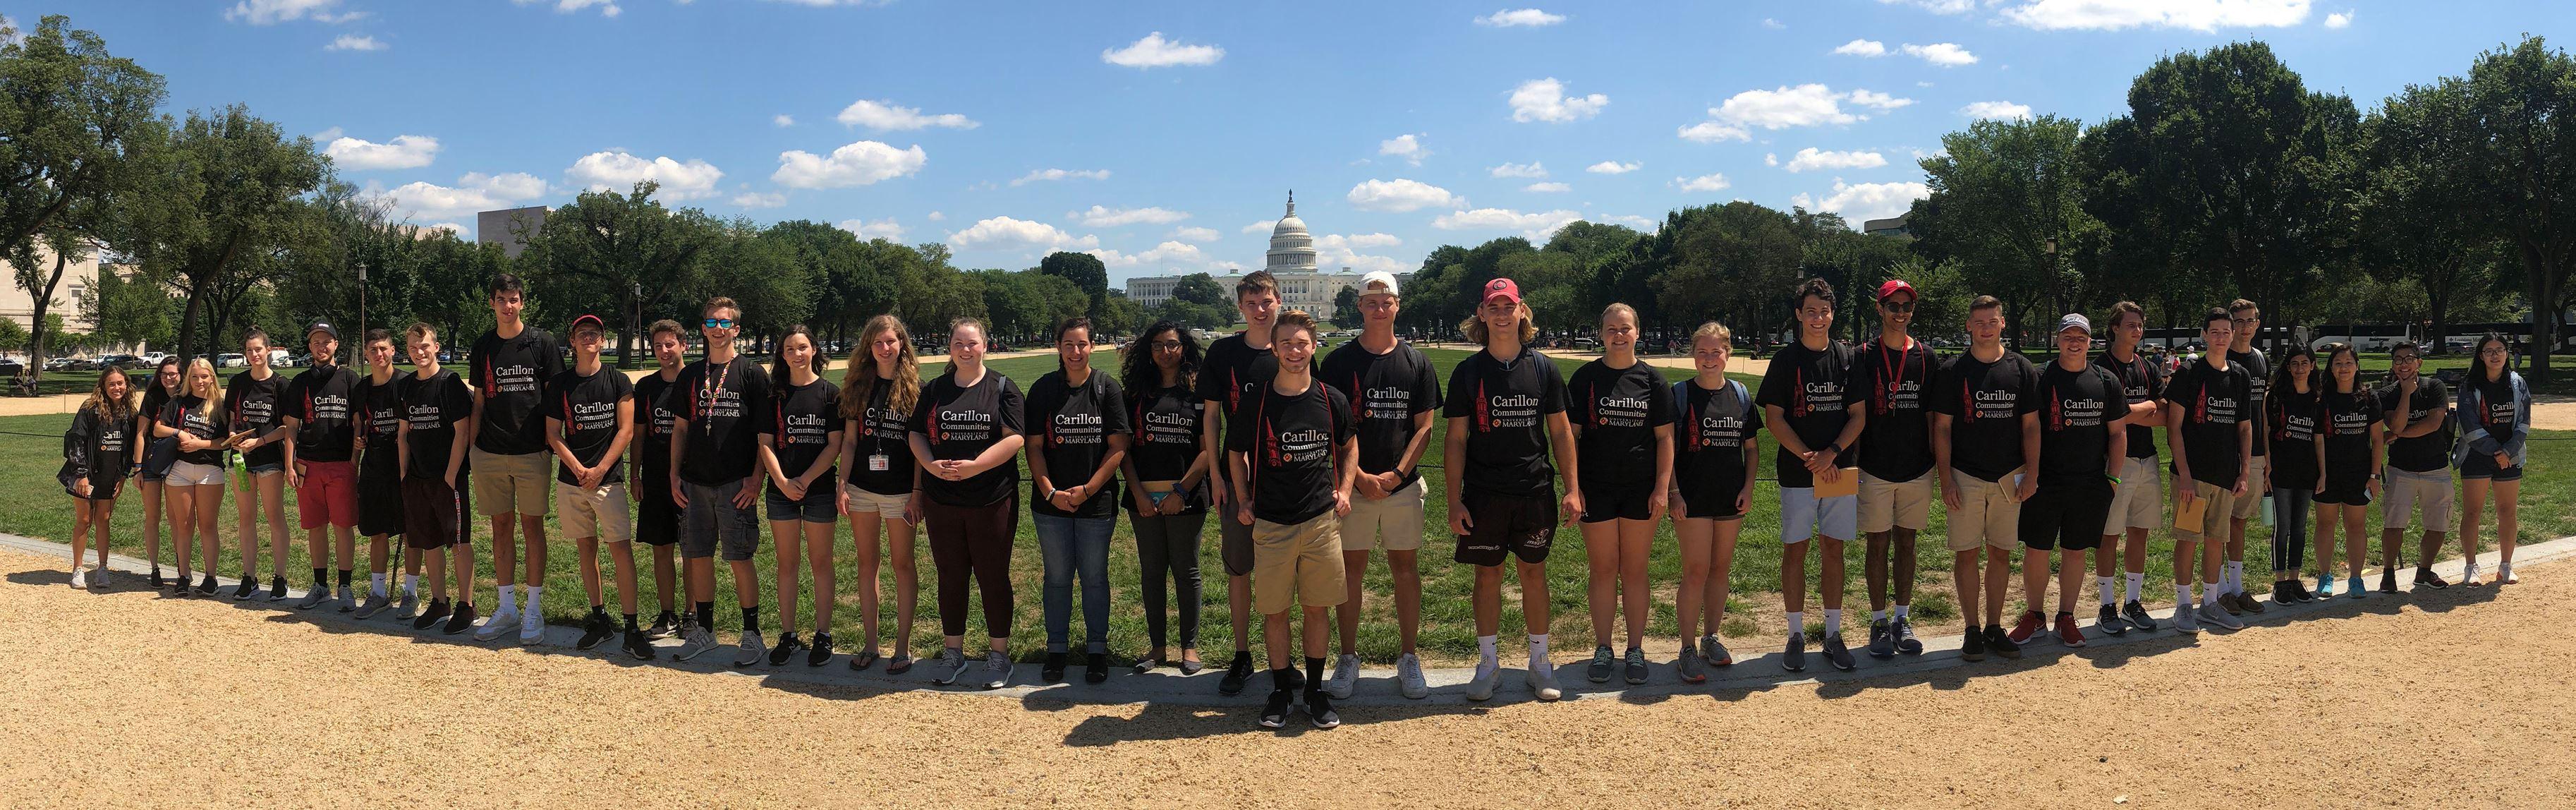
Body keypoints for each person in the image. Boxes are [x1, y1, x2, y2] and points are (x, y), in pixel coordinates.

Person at [1444, 277, 1579, 701]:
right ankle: (1489, 664)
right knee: (1488, 575)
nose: (1502, 314)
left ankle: (1540, 662)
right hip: (1484, 491)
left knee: (1534, 574)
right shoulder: (1468, 372)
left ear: (1522, 312)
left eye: (1509, 306)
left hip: (1533, 488)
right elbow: (1456, 439)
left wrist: (1573, 489)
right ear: (1482, 315)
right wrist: (1453, 500)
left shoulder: (1542, 367)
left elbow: (1560, 432)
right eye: (1494, 307)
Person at [1229, 309, 1356, 729]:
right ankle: (1282, 689)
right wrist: (1244, 498)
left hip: (1320, 520)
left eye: (1302, 343)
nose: (1294, 351)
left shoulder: (1330, 398)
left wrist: (1346, 488)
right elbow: (1235, 452)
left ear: (1313, 346)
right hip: (1272, 522)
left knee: (1318, 609)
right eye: (1286, 344)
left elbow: (1349, 445)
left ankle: (1315, 690)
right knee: (1276, 612)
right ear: (1274, 347)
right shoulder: (1258, 399)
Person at [1316, 271, 1440, 699]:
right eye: (1371, 301)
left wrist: (1399, 475)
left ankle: (1409, 657)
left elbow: (1424, 427)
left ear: (1397, 305)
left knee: (1405, 569)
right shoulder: (1338, 363)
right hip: (1354, 488)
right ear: (1360, 307)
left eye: (1386, 300)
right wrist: (1360, 478)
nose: (1379, 307)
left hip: (1402, 487)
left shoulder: (1417, 362)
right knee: (1351, 571)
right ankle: (1348, 658)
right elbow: (1329, 427)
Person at [1757, 278, 1867, 672]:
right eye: (1810, 311)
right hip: (1799, 471)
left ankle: (1834, 634)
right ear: (1799, 315)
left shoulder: (1848, 357)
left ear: (1832, 314)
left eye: (1824, 311)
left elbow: (1858, 415)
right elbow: (1774, 417)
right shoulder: (1786, 361)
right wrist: (1810, 456)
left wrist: (1832, 453)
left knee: (1834, 549)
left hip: (1839, 469)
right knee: (1796, 550)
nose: (1818, 318)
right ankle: (1795, 635)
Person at [909, 318, 1025, 690]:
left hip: (991, 498)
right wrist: (930, 465)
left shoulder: (1003, 388)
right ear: (950, 347)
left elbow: (1015, 439)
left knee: (993, 576)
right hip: (942, 500)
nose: (965, 349)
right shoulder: (935, 389)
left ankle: (998, 656)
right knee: (951, 576)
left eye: (972, 343)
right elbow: (915, 434)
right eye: (959, 342)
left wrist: (976, 467)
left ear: (985, 346)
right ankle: (953, 652)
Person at [1567, 303, 1673, 685]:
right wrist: (1573, 489)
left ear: (1637, 332)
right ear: (1601, 333)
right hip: (1595, 489)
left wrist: (1662, 488)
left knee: (1634, 570)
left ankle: (1635, 648)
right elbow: (1570, 438)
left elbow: (1665, 438)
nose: (1618, 334)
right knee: (1603, 569)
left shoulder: (1653, 381)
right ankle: (1603, 647)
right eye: (1611, 328)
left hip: (1639, 490)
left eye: (1625, 327)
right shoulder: (1584, 379)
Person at [668, 298, 775, 666]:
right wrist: (673, 474)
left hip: (736, 483)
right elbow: (680, 429)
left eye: (724, 323)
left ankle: (752, 634)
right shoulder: (690, 376)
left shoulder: (752, 373)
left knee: (739, 557)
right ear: (702, 329)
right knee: (697, 557)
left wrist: (756, 479)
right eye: (711, 323)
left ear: (736, 329)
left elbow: (764, 433)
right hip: (695, 482)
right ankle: (705, 631)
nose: (717, 329)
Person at [2012, 315, 2129, 648]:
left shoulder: (2106, 381)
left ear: (2091, 341)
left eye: (2081, 336)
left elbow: (2118, 433)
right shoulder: (2040, 378)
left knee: (2074, 552)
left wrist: (2113, 479)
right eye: (2067, 336)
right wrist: (2030, 474)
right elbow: (2028, 428)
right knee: (2036, 550)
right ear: (2058, 340)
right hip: (2044, 480)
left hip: (2090, 482)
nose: (2074, 342)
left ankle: (2066, 616)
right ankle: (2034, 615)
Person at [1931, 296, 2039, 659]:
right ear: (1969, 326)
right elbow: (1942, 429)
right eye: (1979, 322)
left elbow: (2031, 426)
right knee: (1967, 554)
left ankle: (1994, 626)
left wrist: (2033, 473)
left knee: (2001, 553)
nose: (1986, 328)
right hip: (1965, 475)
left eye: (1992, 321)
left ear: (2003, 323)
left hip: (2010, 477)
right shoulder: (1952, 371)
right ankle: (1971, 629)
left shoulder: (2022, 369)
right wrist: (1945, 479)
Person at [1026, 316, 1130, 684]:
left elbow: (1118, 448)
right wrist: (1049, 491)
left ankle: (1096, 652)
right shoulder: (1043, 389)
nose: (1075, 351)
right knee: (1056, 578)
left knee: (1094, 579)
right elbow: (1034, 446)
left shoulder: (1107, 388)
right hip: (1050, 504)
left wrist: (1087, 490)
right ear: (1059, 347)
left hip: (1096, 503)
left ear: (1092, 346)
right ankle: (1057, 650)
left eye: (1082, 344)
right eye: (1068, 344)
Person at [467, 273, 566, 643]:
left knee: (533, 528)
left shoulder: (542, 343)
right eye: (500, 299)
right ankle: (507, 607)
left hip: (532, 452)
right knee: (500, 528)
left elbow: (556, 396)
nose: (507, 306)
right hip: (491, 452)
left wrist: (551, 443)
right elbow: (479, 400)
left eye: (513, 299)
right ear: (491, 303)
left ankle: (533, 609)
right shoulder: (484, 346)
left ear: (522, 302)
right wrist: (472, 448)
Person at [1198, 270, 1280, 695]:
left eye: (1266, 302)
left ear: (1278, 302)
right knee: (1239, 570)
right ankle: (1243, 654)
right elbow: (1211, 418)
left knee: (1282, 572)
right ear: (1240, 307)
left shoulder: (1293, 349)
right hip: (1236, 475)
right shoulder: (1224, 353)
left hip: (1284, 477)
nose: (1259, 310)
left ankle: (1280, 658)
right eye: (1251, 303)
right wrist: (1215, 474)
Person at [545, 315, 647, 658]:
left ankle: (631, 627)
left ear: (603, 340)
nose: (588, 338)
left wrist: (601, 469)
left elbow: (626, 430)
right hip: (571, 480)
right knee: (585, 548)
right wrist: (577, 468)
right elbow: (553, 434)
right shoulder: (560, 384)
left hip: (609, 480)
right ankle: (599, 617)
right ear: (572, 341)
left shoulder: (617, 380)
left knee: (620, 549)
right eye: (581, 334)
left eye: (594, 334)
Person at [1118, 320, 1213, 678]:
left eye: (1172, 345)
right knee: (1152, 572)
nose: (1165, 352)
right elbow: (1123, 451)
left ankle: (1189, 646)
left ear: (1184, 348)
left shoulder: (1199, 394)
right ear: (1148, 350)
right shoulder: (1136, 394)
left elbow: (1207, 452)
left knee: (1187, 571)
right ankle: (1157, 647)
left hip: (1186, 497)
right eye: (1157, 345)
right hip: (1143, 497)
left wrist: (1181, 492)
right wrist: (1140, 494)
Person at [1851, 279, 1936, 658]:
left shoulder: (1926, 356)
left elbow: (1935, 416)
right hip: (1874, 467)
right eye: (1893, 306)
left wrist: (1939, 464)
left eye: (1906, 307)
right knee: (1877, 543)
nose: (1900, 313)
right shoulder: (1862, 355)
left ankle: (1902, 618)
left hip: (1917, 467)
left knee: (1908, 542)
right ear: (1879, 309)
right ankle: (1878, 620)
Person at [1669, 322, 1757, 682]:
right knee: (1695, 571)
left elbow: (1751, 449)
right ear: (1693, 355)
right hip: (1691, 497)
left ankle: (1711, 637)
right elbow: (1667, 449)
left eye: (1716, 351)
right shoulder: (1679, 394)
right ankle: (1686, 647)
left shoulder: (1739, 394)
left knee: (1720, 569)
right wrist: (1673, 492)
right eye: (1702, 351)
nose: (1709, 358)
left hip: (1729, 495)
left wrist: (1749, 488)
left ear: (1727, 353)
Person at [837, 314, 925, 672]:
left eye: (891, 341)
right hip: (861, 488)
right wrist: (842, 483)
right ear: (868, 347)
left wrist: (918, 492)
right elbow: (850, 440)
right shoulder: (859, 385)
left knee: (903, 565)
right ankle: (871, 644)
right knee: (866, 563)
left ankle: (902, 647)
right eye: (878, 342)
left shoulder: (917, 388)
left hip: (901, 491)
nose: (885, 348)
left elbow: (921, 447)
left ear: (902, 343)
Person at [2163, 308, 2254, 632]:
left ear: (2233, 335)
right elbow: (2174, 428)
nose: (2220, 337)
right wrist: (2184, 475)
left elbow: (2245, 428)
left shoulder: (2241, 376)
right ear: (2204, 335)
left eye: (2225, 331)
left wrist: (2244, 472)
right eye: (2214, 331)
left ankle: (2210, 604)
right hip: (2193, 477)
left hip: (2225, 477)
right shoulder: (2189, 373)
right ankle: (2183, 605)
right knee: (2188, 539)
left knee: (2216, 540)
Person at [758, 325, 843, 666]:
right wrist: (780, 480)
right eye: (789, 349)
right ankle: (789, 635)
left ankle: (823, 634)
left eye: (802, 347)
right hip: (781, 491)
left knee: (821, 563)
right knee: (787, 564)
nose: (796, 354)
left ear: (814, 350)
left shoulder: (830, 393)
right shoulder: (774, 395)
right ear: (782, 354)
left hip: (818, 489)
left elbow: (835, 444)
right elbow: (765, 444)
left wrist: (805, 480)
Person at [395, 324, 480, 636]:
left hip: (447, 479)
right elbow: (403, 434)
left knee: (458, 542)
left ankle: (466, 604)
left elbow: (463, 431)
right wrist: (404, 473)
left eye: (425, 346)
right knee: (429, 542)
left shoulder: (450, 383)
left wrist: (451, 474)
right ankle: (439, 600)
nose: (420, 352)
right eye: (414, 348)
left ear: (436, 346)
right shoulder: (405, 387)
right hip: (417, 477)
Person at [2094, 302, 2165, 633]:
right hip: (2113, 462)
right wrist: (2145, 407)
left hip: (2147, 458)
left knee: (2140, 533)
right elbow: (2110, 419)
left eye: (2140, 325)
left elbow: (2162, 414)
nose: (2136, 330)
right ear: (2115, 328)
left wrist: (2129, 411)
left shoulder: (2148, 366)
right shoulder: (2099, 369)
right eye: (2130, 325)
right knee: (2109, 534)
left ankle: (2132, 602)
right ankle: (2106, 605)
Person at [281, 322, 363, 611]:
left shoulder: (350, 379)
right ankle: (320, 586)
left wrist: (355, 460)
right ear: (310, 347)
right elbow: (291, 427)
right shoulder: (300, 382)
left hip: (341, 463)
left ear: (336, 345)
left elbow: (358, 423)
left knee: (343, 526)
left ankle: (346, 586)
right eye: (316, 341)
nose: (322, 346)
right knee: (315, 527)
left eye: (327, 341)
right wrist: (290, 464)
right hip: (308, 464)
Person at [2378, 341, 2453, 593]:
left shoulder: (2435, 387)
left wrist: (2398, 436)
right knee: (2394, 523)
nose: (2404, 364)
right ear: (2393, 365)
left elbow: (2433, 423)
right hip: (2401, 469)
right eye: (2398, 360)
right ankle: (2388, 574)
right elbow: (2396, 424)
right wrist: (2407, 394)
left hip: (2436, 467)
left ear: (2419, 363)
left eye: (2409, 358)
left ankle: (2424, 570)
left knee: (2438, 524)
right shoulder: (2387, 394)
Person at [2454, 332, 2527, 586]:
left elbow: (2523, 423)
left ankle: (2506, 565)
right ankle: (2471, 566)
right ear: (2481, 355)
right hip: (2476, 456)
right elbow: (2469, 424)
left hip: (2510, 455)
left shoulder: (2518, 383)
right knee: (2473, 512)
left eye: (2500, 350)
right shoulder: (2470, 385)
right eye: (2489, 351)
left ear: (2507, 354)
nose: (2495, 355)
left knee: (2508, 512)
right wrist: (2497, 451)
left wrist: (2508, 451)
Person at [632, 320, 690, 639]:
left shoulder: (698, 381)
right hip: (655, 479)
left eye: (670, 344)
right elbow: (638, 435)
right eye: (658, 346)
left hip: (691, 478)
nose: (664, 351)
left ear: (683, 344)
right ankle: (667, 613)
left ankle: (693, 613)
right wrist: (635, 474)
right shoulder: (646, 387)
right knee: (662, 548)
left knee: (693, 549)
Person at [2213, 300, 2271, 617]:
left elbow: (2261, 409)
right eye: (2240, 321)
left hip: (2256, 453)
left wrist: (2266, 456)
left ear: (2258, 323)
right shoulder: (2221, 357)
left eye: (2251, 320)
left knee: (2239, 522)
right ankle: (2218, 587)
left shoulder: (2261, 360)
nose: (2246, 327)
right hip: (2224, 452)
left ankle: (2236, 588)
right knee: (2218, 523)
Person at [226, 330, 293, 600]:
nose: (254, 354)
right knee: (246, 519)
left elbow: (287, 427)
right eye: (250, 350)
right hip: (241, 461)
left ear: (268, 350)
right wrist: (233, 435)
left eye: (258, 349)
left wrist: (260, 441)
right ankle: (249, 577)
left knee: (275, 517)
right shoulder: (238, 383)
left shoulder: (280, 384)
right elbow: (232, 418)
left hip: (269, 461)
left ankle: (280, 578)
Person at [2313, 343, 2383, 598]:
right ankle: (2325, 576)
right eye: (2338, 363)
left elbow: (2377, 440)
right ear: (2331, 368)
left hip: (2359, 474)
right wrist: (2321, 474)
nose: (2344, 368)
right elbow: (2318, 438)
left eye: (2349, 363)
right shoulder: (2322, 398)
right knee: (2325, 524)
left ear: (2357, 367)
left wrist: (2374, 476)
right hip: (2328, 474)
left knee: (2356, 526)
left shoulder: (2368, 398)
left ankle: (2356, 578)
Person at [351, 330, 413, 619]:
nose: (379, 354)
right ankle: (377, 593)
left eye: (383, 348)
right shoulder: (361, 389)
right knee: (378, 532)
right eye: (373, 349)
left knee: (411, 533)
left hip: (403, 465)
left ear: (393, 350)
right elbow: (359, 426)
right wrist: (358, 444)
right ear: (366, 354)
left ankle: (410, 592)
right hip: (374, 466)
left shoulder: (405, 383)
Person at [157, 359, 231, 598]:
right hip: (180, 469)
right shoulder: (179, 401)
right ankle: (183, 575)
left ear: (212, 377)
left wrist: (199, 443)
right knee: (184, 526)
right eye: (195, 377)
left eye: (204, 377)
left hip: (210, 470)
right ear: (189, 378)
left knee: (208, 525)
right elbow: (158, 428)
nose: (200, 382)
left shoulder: (220, 405)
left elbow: (225, 443)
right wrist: (179, 433)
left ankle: (211, 578)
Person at [61, 365, 134, 588]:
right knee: (84, 520)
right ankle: (78, 569)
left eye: (120, 383)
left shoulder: (129, 413)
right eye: (111, 383)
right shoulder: (90, 409)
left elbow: (129, 449)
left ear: (127, 385)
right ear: (103, 386)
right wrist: (81, 474)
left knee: (103, 519)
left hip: (110, 475)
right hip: (85, 473)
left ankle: (102, 568)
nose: (116, 387)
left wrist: (123, 476)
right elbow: (75, 440)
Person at [2264, 345, 2323, 603]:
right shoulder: (2276, 396)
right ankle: (2279, 582)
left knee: (2300, 527)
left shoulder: (2319, 398)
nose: (2300, 368)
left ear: (2312, 366)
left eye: (2304, 363)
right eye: (2295, 364)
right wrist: (2267, 466)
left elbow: (2319, 439)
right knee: (2283, 526)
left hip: (2307, 471)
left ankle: (2295, 578)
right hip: (2281, 470)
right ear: (2288, 367)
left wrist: (2323, 473)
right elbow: (2266, 432)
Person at [135, 356, 181, 589]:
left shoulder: (186, 397)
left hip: (178, 464)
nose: (168, 378)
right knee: (153, 517)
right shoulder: (153, 397)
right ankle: (154, 568)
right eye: (164, 374)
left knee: (177, 520)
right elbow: (141, 434)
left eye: (173, 373)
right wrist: (137, 468)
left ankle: (182, 567)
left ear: (181, 375)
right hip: (152, 462)